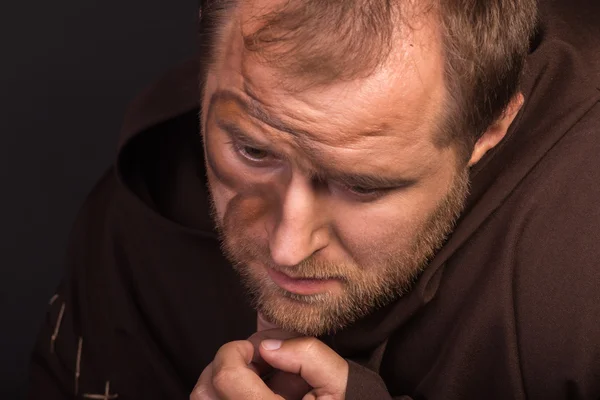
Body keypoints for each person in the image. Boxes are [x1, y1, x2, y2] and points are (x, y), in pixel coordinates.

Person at [27, 0, 600, 399]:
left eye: (364, 184)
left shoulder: (581, 281)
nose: (287, 245)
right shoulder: (139, 227)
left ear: (488, 131)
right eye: (252, 151)